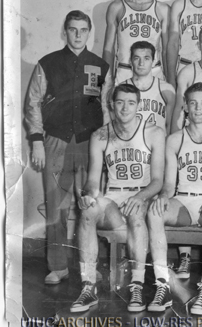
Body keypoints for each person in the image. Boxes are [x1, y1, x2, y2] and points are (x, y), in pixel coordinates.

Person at [25, 11, 110, 284]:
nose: (78, 34)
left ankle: (88, 266)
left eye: (83, 30)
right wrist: (37, 141)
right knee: (56, 207)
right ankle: (58, 266)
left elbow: (106, 106)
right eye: (73, 29)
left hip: (89, 143)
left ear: (89, 32)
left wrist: (107, 144)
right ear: (65, 31)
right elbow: (33, 102)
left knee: (90, 206)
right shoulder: (48, 63)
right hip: (56, 142)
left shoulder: (100, 66)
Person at [70, 84, 165, 313]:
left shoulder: (153, 133)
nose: (125, 108)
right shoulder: (100, 135)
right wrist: (88, 195)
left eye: (131, 103)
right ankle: (88, 286)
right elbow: (93, 180)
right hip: (113, 196)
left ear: (139, 105)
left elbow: (157, 181)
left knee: (135, 214)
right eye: (120, 102)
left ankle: (136, 286)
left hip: (141, 195)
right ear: (112, 104)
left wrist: (140, 197)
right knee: (88, 211)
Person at [147, 83, 202, 315]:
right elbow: (169, 185)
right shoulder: (175, 139)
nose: (198, 108)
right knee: (154, 211)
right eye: (193, 103)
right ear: (185, 106)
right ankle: (163, 284)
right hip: (184, 201)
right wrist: (162, 197)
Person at [103, 0, 169, 85]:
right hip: (125, 71)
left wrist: (170, 80)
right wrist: (107, 80)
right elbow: (108, 48)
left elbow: (166, 49)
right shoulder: (117, 7)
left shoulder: (162, 9)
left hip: (153, 71)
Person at [123, 41, 175, 132]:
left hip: (158, 140)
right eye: (136, 58)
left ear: (153, 62)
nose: (141, 63)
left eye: (146, 58)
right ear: (130, 61)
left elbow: (170, 127)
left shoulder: (166, 89)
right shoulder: (121, 90)